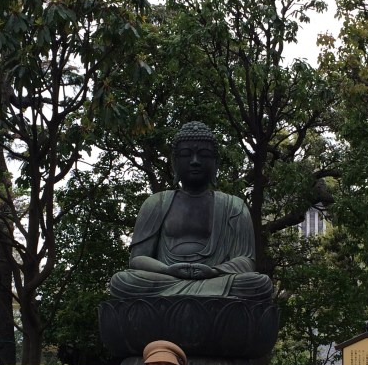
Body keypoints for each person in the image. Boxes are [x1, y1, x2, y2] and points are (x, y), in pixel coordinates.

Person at [108, 121, 273, 300]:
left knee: (258, 284)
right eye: (186, 155)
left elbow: (246, 262)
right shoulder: (156, 203)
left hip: (215, 280)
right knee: (122, 281)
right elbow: (137, 259)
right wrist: (167, 269)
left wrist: (213, 271)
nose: (195, 161)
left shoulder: (234, 206)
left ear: (216, 162)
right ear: (174, 162)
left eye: (204, 155)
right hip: (166, 279)